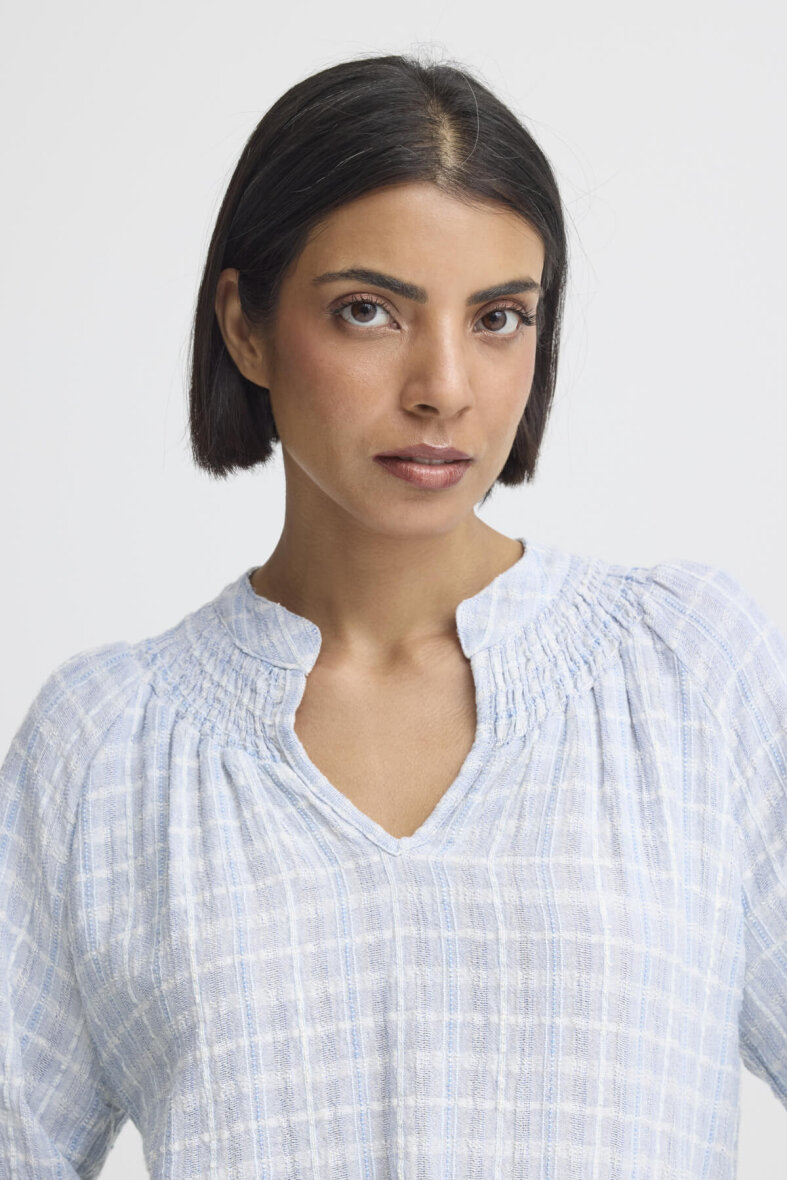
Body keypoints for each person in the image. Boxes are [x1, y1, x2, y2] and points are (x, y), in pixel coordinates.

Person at [1, 51, 785, 1179]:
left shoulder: (686, 677)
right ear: (246, 326)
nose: (444, 387)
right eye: (367, 312)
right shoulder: (105, 753)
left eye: (499, 317)